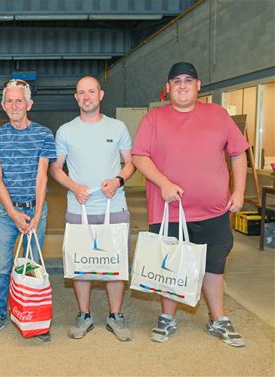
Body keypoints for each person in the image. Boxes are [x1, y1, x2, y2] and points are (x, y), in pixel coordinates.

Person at [132, 62, 248, 347]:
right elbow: (140, 157)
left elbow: (238, 154)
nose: (182, 85)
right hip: (168, 210)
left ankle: (217, 318)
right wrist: (163, 183)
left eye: (188, 80)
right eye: (176, 81)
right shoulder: (153, 119)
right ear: (168, 88)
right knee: (169, 266)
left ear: (198, 86)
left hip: (214, 210)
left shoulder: (218, 115)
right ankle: (167, 318)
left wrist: (240, 191)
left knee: (214, 266)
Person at [50, 76, 135, 341]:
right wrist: (74, 186)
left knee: (115, 261)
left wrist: (118, 180)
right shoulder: (65, 131)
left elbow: (130, 163)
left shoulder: (118, 127)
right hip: (80, 208)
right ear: (76, 98)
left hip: (114, 206)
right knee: (81, 263)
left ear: (101, 95)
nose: (86, 96)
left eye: (91, 91)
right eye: (81, 92)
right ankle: (84, 314)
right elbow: (55, 168)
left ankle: (115, 315)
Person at [0, 79, 56, 342]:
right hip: (6, 213)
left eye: (19, 101)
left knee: (32, 265)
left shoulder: (44, 134)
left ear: (29, 104)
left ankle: (31, 314)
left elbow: (42, 176)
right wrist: (11, 213)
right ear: (3, 105)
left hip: (35, 211)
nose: (14, 105)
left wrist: (36, 213)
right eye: (9, 101)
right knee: (3, 265)